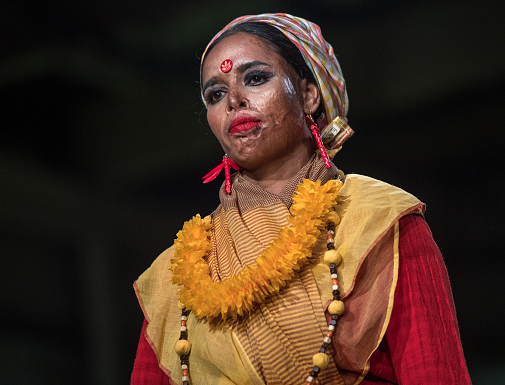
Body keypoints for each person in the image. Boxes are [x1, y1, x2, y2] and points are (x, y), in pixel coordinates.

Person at [131, 13, 471, 385]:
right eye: (216, 94)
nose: (234, 101)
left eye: (256, 78)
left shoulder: (380, 222)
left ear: (308, 95)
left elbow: (436, 374)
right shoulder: (175, 276)